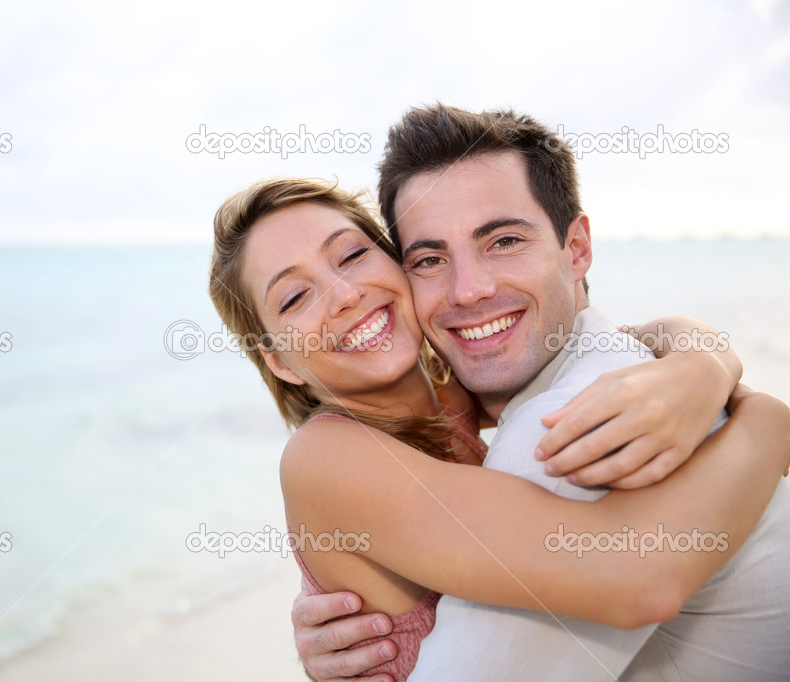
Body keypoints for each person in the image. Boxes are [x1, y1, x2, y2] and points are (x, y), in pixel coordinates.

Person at [209, 172, 790, 679]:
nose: (343, 294)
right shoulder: (323, 458)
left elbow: (634, 339)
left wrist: (706, 361)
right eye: (294, 297)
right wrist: (767, 417)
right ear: (279, 360)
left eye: (352, 255)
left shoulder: (458, 398)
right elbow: (637, 578)